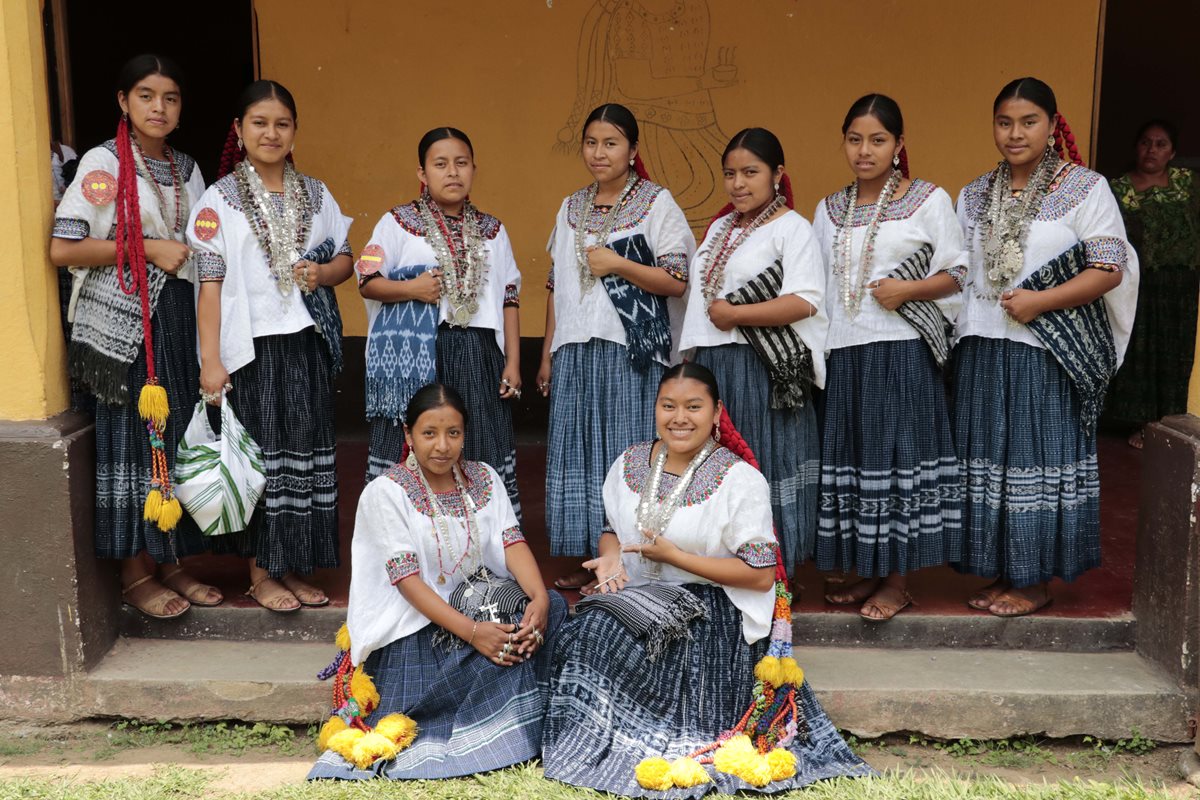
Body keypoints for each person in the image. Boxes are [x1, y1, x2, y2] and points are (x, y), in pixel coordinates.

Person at [541, 363, 870, 796]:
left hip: (713, 611)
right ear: (655, 408)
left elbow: (760, 575)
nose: (680, 418)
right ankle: (590, 739)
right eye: (668, 406)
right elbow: (611, 530)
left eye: (693, 407)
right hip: (640, 597)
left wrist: (677, 558)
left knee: (600, 631)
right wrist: (611, 560)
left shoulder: (739, 479)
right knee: (584, 627)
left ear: (716, 412)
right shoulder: (629, 462)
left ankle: (636, 739)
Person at [308, 383, 566, 781]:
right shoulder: (386, 493)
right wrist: (474, 633)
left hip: (476, 611)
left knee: (552, 608)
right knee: (500, 646)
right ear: (408, 434)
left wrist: (539, 601)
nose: (442, 446)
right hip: (416, 633)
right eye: (429, 433)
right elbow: (407, 582)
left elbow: (511, 542)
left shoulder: (485, 478)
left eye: (453, 433)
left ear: (465, 434)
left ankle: (512, 705)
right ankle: (501, 721)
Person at [953, 77, 1138, 617]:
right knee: (991, 459)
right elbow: (960, 270)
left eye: (1028, 122)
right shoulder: (974, 194)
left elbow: (1108, 267)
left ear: (1053, 125)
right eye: (1004, 122)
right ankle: (1004, 569)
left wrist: (1042, 301)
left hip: (1048, 349)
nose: (1015, 134)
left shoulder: (1084, 188)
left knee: (1037, 457)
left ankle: (1035, 581)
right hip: (984, 345)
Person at [50, 54, 217, 619]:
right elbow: (64, 248)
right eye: (146, 95)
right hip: (122, 328)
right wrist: (147, 248)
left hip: (177, 322)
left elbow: (203, 246)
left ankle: (170, 560)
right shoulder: (103, 164)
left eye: (170, 97)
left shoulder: (187, 169)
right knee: (133, 445)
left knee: (172, 442)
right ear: (124, 102)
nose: (159, 107)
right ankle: (133, 572)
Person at [189, 80, 354, 612]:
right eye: (259, 123)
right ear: (238, 130)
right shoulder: (219, 200)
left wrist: (322, 273)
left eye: (282, 124)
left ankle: (295, 565)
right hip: (250, 351)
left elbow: (346, 259)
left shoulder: (317, 194)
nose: (271, 133)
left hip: (305, 344)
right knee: (264, 461)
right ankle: (262, 574)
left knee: (305, 457)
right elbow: (209, 285)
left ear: (295, 132)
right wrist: (211, 361)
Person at [812, 94, 966, 621]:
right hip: (845, 353)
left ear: (899, 144)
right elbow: (818, 283)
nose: (865, 150)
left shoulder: (927, 199)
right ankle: (871, 568)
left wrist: (909, 291)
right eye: (855, 139)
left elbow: (958, 272)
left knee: (896, 462)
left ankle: (898, 581)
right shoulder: (829, 210)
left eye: (877, 140)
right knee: (858, 462)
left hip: (901, 352)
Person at [539, 102, 695, 590]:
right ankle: (591, 556)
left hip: (630, 352)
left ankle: (628, 560)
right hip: (575, 349)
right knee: (580, 451)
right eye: (591, 143)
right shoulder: (571, 207)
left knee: (624, 450)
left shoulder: (656, 202)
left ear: (632, 150)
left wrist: (618, 264)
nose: (599, 153)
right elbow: (557, 286)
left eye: (611, 143)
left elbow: (677, 279)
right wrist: (547, 353)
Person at [678, 127, 828, 583]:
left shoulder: (792, 229)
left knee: (761, 464)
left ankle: (773, 575)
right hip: (714, 365)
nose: (738, 183)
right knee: (718, 468)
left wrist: (737, 314)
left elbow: (805, 301)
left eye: (750, 172)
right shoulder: (721, 228)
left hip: (760, 367)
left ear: (777, 174)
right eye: (730, 174)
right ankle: (723, 568)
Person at [356, 127, 523, 516]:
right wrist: (412, 288)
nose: (452, 172)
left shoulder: (493, 230)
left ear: (474, 169)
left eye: (461, 163)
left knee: (478, 443)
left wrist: (513, 362)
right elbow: (367, 281)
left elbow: (509, 298)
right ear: (422, 172)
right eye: (441, 164)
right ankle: (409, 530)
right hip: (418, 353)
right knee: (417, 442)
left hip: (479, 352)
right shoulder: (397, 222)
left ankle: (480, 534)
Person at [1105, 120, 1200, 447]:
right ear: (1136, 147)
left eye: (1161, 144)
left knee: (1175, 354)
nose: (1152, 150)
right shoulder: (1117, 189)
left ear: (1172, 152)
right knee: (1138, 350)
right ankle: (1141, 422)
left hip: (1181, 286)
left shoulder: (1188, 183)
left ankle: (1168, 423)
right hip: (1137, 284)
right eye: (1146, 142)